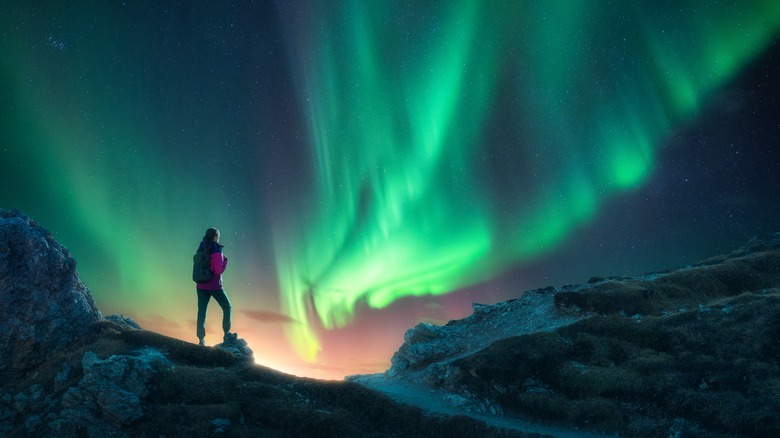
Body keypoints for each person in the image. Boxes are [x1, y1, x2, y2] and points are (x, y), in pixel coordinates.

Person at [196, 227, 237, 346]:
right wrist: (225, 262)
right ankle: (226, 333)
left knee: (202, 311)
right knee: (227, 306)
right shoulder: (216, 249)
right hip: (214, 285)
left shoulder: (200, 247)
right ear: (215, 237)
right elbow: (218, 270)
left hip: (201, 285)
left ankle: (201, 340)